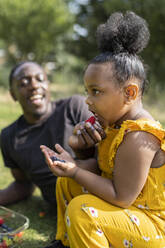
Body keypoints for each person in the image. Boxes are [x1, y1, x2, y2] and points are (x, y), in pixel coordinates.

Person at [41, 11, 165, 248]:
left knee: (83, 210)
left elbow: (121, 196)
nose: (87, 100)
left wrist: (76, 171)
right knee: (66, 183)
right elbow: (101, 171)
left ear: (129, 93)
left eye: (96, 91)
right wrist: (77, 159)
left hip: (151, 227)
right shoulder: (113, 125)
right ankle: (68, 243)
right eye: (87, 91)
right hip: (126, 214)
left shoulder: (139, 135)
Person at [0, 61, 99, 207]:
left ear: (48, 84)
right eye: (23, 83)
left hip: (99, 199)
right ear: (13, 94)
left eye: (40, 79)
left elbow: (105, 162)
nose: (34, 86)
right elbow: (23, 185)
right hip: (62, 209)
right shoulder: (9, 136)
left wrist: (74, 166)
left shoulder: (73, 107)